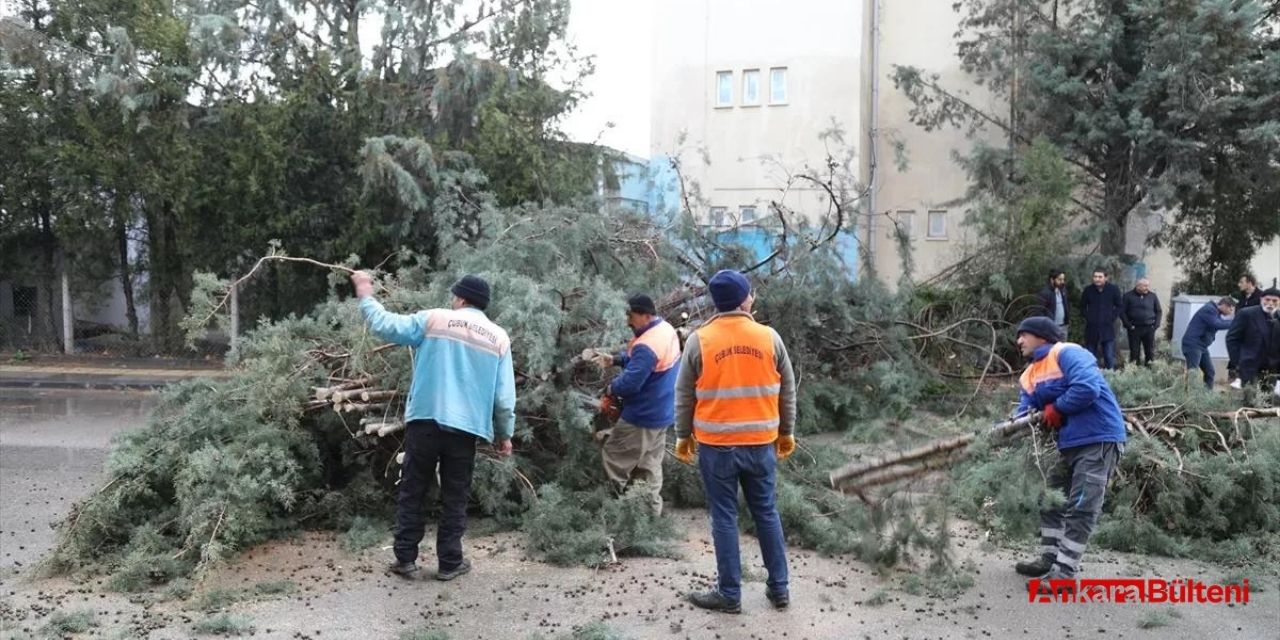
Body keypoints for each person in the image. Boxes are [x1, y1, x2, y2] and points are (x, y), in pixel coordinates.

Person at [352, 271, 515, 582]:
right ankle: (450, 563)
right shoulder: (499, 338)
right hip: (465, 431)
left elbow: (385, 324)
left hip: (425, 421)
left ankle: (406, 560)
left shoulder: (434, 320)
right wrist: (504, 435)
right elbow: (504, 398)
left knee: (414, 489)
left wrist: (365, 293)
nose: (452, 301)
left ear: (462, 299)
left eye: (455, 296)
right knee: (455, 495)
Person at [674, 269, 796, 614]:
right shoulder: (769, 338)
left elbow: (683, 394)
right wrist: (786, 431)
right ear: (744, 299)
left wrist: (683, 436)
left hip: (717, 447)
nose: (753, 297)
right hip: (761, 444)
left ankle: (730, 594)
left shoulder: (700, 340)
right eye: (750, 293)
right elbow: (787, 391)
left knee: (724, 517)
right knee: (766, 513)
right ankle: (780, 588)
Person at [1011, 317, 1126, 586]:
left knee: (1081, 506)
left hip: (1098, 438)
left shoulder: (1067, 353)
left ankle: (1064, 574)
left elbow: (1087, 388)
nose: (1018, 341)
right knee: (1050, 498)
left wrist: (1056, 408)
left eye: (1023, 335)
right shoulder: (1028, 375)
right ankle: (1049, 558)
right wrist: (1001, 430)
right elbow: (1023, 413)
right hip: (1068, 444)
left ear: (1041, 336)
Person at [588, 294, 681, 516]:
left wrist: (610, 389)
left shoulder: (647, 345)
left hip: (642, 415)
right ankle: (649, 517)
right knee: (648, 466)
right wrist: (617, 359)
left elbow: (631, 383)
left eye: (631, 316)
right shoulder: (665, 329)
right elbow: (647, 363)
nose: (628, 321)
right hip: (663, 413)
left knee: (614, 457)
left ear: (646, 315)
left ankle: (615, 514)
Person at [1226, 287, 1280, 388]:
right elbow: (1232, 339)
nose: (1270, 303)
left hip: (1271, 370)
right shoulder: (1246, 314)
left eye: (1274, 300)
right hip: (1249, 368)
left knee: (1267, 402)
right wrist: (1238, 362)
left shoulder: (1278, 317)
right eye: (1267, 299)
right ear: (1261, 299)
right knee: (1249, 401)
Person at [1181, 297, 1236, 389]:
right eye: (1230, 309)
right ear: (1224, 305)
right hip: (1193, 345)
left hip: (1201, 346)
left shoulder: (1215, 312)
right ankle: (1189, 399)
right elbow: (1217, 324)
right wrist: (1236, 323)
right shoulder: (1209, 309)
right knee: (1193, 374)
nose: (1231, 312)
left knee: (1210, 372)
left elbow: (1220, 322)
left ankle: (1207, 397)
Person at [1079, 269, 1123, 369]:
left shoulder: (1113, 289)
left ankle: (1111, 377)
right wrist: (1088, 317)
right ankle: (1090, 377)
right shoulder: (1088, 290)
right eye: (1095, 277)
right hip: (1091, 328)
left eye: (1100, 277)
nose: (1097, 279)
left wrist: (1111, 317)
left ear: (1105, 278)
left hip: (1107, 328)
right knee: (1089, 356)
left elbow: (1120, 306)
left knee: (1108, 356)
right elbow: (1082, 307)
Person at [1120, 278, 1162, 367]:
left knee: (1150, 352)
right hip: (1134, 328)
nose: (1147, 288)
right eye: (1145, 286)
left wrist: (1155, 325)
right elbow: (1122, 312)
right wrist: (1129, 325)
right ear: (1138, 286)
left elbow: (1159, 311)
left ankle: (1149, 372)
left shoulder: (1152, 296)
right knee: (1135, 352)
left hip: (1149, 328)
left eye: (1148, 285)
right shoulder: (1128, 296)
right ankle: (1134, 372)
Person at [1034, 269, 1071, 336]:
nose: (1062, 282)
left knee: (1062, 346)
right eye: (1059, 279)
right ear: (1052, 280)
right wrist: (1046, 325)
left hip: (1064, 327)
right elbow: (1039, 312)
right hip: (1051, 327)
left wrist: (1067, 320)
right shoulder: (1045, 293)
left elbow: (1067, 305)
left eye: (1063, 279)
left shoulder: (1063, 291)